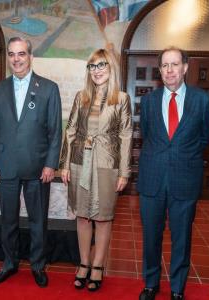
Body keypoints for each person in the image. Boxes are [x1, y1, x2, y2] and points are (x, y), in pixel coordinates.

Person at [0, 36, 62, 288]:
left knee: (38, 220)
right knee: (8, 220)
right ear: (8, 58)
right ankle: (9, 263)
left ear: (30, 57)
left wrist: (51, 164)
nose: (16, 59)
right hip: (5, 166)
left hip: (39, 168)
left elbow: (55, 131)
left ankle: (38, 265)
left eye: (21, 54)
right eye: (12, 54)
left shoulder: (49, 88)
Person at [137, 47, 209, 300]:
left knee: (182, 238)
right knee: (151, 237)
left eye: (174, 64)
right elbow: (148, 136)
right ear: (160, 70)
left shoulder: (201, 100)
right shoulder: (148, 101)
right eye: (165, 65)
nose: (169, 70)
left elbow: (204, 139)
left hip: (185, 180)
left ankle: (178, 288)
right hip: (152, 180)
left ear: (185, 67)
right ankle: (151, 284)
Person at [59, 48, 132, 291]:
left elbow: (126, 136)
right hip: (80, 161)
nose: (97, 70)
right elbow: (70, 131)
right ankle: (83, 263)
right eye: (92, 66)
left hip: (106, 164)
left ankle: (98, 266)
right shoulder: (82, 97)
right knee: (82, 215)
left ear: (111, 68)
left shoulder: (121, 98)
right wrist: (64, 164)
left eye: (102, 65)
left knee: (102, 218)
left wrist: (124, 172)